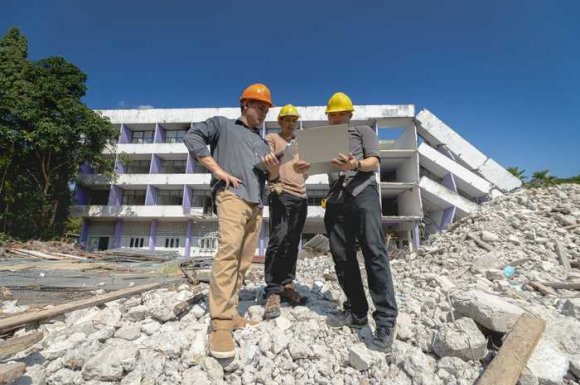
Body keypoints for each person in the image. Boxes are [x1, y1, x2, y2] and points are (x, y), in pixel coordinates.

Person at [293, 92, 398, 352]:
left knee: (374, 253)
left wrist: (356, 162)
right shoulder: (323, 140)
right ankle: (356, 311)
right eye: (333, 114)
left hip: (363, 195)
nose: (337, 117)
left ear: (349, 114)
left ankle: (385, 320)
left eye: (341, 113)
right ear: (328, 116)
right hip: (336, 200)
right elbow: (310, 172)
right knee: (342, 257)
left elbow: (374, 162)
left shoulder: (362, 131)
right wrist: (302, 170)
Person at [183, 83, 280, 359]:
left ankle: (232, 311)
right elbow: (193, 137)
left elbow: (271, 181)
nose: (263, 113)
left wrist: (273, 172)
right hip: (232, 197)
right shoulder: (223, 125)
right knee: (228, 253)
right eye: (259, 107)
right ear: (244, 105)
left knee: (243, 261)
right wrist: (217, 169)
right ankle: (221, 324)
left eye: (266, 110)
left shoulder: (263, 143)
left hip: (256, 203)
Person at [263, 104, 308, 319]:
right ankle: (272, 290)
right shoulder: (272, 138)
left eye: (293, 120)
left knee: (292, 242)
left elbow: (304, 172)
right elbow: (267, 161)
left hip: (301, 196)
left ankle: (287, 284)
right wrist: (285, 151)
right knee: (277, 239)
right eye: (287, 120)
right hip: (280, 193)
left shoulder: (301, 145)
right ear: (280, 121)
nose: (291, 124)